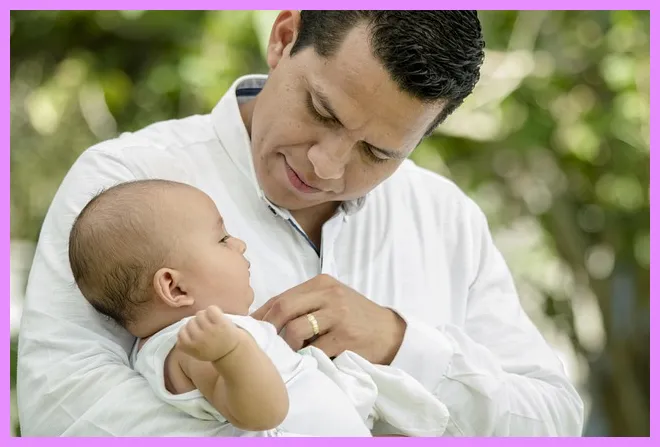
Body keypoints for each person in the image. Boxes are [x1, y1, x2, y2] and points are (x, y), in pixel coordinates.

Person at [17, 11, 584, 436]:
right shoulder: (125, 180)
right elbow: (63, 412)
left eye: (377, 153)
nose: (326, 165)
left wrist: (398, 342)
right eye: (321, 111)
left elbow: (554, 420)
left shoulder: (446, 218)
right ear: (283, 38)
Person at [66, 179, 450, 437]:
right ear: (175, 287)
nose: (240, 245)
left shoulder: (204, 339)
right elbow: (262, 413)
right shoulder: (192, 348)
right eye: (222, 239)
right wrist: (231, 352)